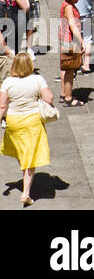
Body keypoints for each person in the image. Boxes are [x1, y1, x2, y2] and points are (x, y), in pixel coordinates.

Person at [0, 53, 54, 206]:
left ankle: (25, 179)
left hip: (14, 122)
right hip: (32, 122)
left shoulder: (7, 82)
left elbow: (2, 105)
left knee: (22, 154)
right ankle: (26, 193)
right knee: (30, 157)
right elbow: (48, 98)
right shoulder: (38, 79)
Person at [58, 0, 86, 105]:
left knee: (65, 68)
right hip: (70, 41)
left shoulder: (65, 4)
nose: (77, 0)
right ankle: (69, 98)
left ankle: (63, 93)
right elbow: (72, 25)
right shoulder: (69, 7)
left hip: (64, 39)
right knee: (70, 71)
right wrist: (81, 41)